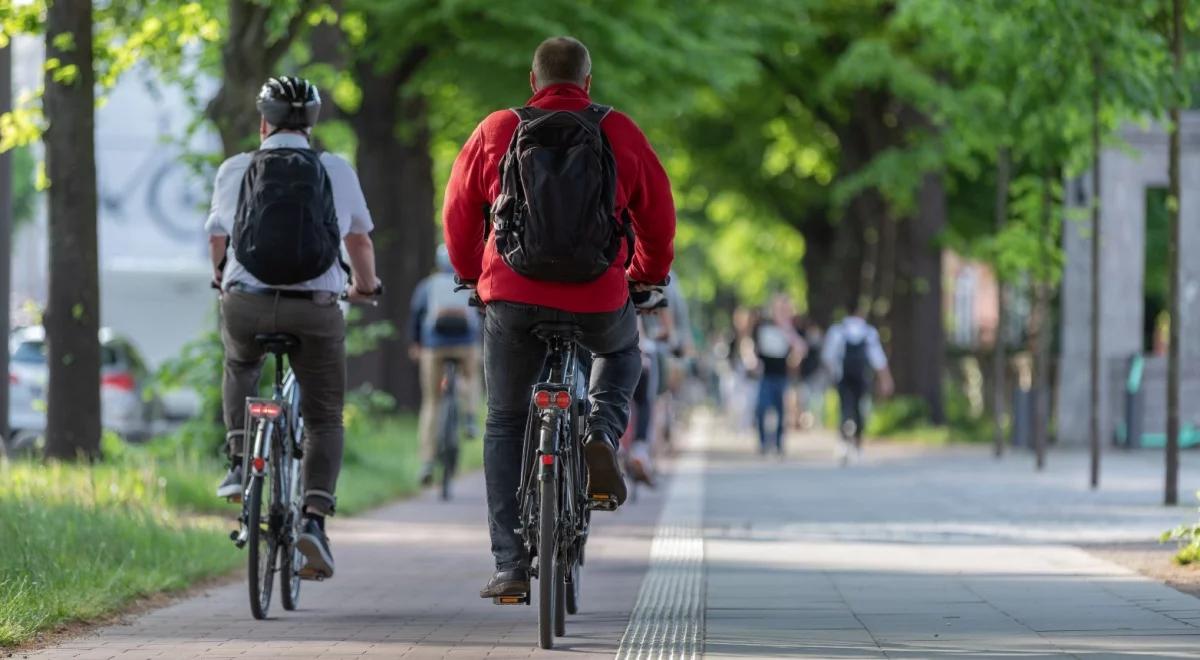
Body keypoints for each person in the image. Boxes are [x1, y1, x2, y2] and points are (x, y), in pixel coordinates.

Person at [443, 36, 675, 599]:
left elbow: (457, 211)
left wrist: (474, 273)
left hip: (513, 298)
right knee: (622, 353)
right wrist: (646, 274)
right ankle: (600, 430)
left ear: (533, 81)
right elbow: (658, 216)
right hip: (597, 295)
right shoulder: (619, 131)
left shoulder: (498, 129)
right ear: (588, 84)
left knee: (504, 419)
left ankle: (509, 564)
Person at [206, 76, 380, 580]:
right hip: (316, 306)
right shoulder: (334, 169)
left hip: (248, 304)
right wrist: (366, 286)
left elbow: (218, 237)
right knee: (325, 417)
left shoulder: (236, 168)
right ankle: (314, 519)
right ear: (312, 123)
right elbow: (360, 243)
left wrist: (222, 281)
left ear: (264, 122)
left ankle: (240, 458)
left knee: (240, 362)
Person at [410, 245, 482, 485]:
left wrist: (416, 344)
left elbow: (417, 314)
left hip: (434, 346)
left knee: (431, 401)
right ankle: (470, 417)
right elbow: (481, 314)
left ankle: (427, 462)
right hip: (465, 344)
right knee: (471, 378)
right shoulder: (470, 282)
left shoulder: (428, 285)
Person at [821, 302, 894, 463]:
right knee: (859, 408)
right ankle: (858, 444)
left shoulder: (837, 331)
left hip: (843, 376)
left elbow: (828, 357)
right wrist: (886, 379)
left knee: (844, 407)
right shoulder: (868, 332)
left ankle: (843, 440)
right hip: (861, 377)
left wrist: (831, 375)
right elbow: (878, 359)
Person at [748, 295, 806, 455]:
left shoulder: (790, 329)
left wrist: (794, 359)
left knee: (781, 411)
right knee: (762, 408)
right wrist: (752, 361)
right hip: (765, 374)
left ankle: (779, 444)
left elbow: (801, 347)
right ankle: (763, 443)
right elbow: (752, 346)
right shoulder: (763, 326)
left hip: (781, 374)